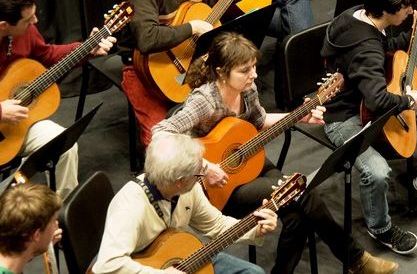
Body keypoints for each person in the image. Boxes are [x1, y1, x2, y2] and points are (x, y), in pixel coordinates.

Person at [152, 32, 398, 274]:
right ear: (221, 73)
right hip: (218, 184)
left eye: (254, 67)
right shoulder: (205, 100)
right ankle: (356, 259)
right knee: (301, 193)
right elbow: (161, 132)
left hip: (250, 161)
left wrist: (299, 117)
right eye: (244, 70)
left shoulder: (247, 90)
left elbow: (260, 121)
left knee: (297, 215)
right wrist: (204, 167)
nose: (254, 75)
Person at [321, 0, 417, 255]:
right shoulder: (365, 48)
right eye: (408, 7)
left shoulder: (357, 14)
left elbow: (382, 50)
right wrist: (408, 101)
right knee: (378, 172)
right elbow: (378, 100)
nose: (411, 11)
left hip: (372, 102)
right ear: (390, 9)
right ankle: (380, 227)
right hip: (344, 117)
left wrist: (413, 34)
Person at [120, 0, 258, 147]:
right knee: (161, 141)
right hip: (147, 66)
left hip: (189, 57)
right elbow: (146, 38)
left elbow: (200, 4)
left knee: (221, 117)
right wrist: (192, 27)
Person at [0, 0, 115, 199]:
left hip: (16, 127)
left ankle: (60, 215)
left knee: (64, 146)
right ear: (4, 25)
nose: (35, 21)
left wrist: (86, 48)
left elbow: (48, 55)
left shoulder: (25, 31)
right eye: (28, 19)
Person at [93, 133, 278, 274]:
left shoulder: (188, 189)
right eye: (199, 172)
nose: (202, 176)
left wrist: (255, 228)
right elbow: (108, 264)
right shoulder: (129, 207)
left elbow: (216, 224)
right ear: (180, 180)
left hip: (180, 255)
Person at [0, 183, 62, 274]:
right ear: (36, 235)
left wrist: (44, 241)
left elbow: (21, 254)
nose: (56, 225)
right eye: (53, 221)